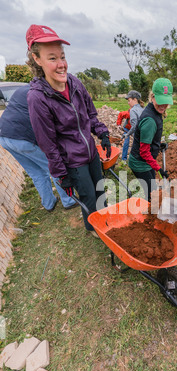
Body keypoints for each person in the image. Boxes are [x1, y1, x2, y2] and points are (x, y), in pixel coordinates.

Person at [25, 24, 111, 236]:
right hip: (73, 160)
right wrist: (61, 174)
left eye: (62, 57)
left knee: (100, 190)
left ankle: (108, 220)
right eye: (52, 58)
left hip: (90, 152)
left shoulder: (74, 82)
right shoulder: (38, 98)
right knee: (89, 196)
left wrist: (102, 133)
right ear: (37, 59)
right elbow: (48, 143)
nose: (61, 64)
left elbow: (91, 114)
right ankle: (94, 229)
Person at [0, 84, 76, 212]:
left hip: (4, 137)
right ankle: (69, 201)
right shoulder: (43, 94)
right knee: (54, 167)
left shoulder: (23, 89)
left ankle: (49, 203)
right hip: (23, 137)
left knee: (36, 172)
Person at [128, 79, 173, 201]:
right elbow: (144, 152)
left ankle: (151, 206)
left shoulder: (155, 112)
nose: (163, 106)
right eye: (160, 102)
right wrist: (159, 169)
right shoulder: (150, 121)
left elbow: (149, 139)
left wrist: (158, 145)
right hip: (140, 163)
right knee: (152, 195)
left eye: (166, 102)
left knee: (152, 189)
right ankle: (150, 215)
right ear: (152, 97)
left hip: (145, 161)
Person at [121, 90, 144, 163]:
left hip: (135, 132)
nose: (128, 103)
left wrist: (127, 134)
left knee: (134, 147)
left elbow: (134, 126)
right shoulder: (142, 109)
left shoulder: (133, 110)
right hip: (140, 133)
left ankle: (126, 161)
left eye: (129, 100)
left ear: (135, 99)